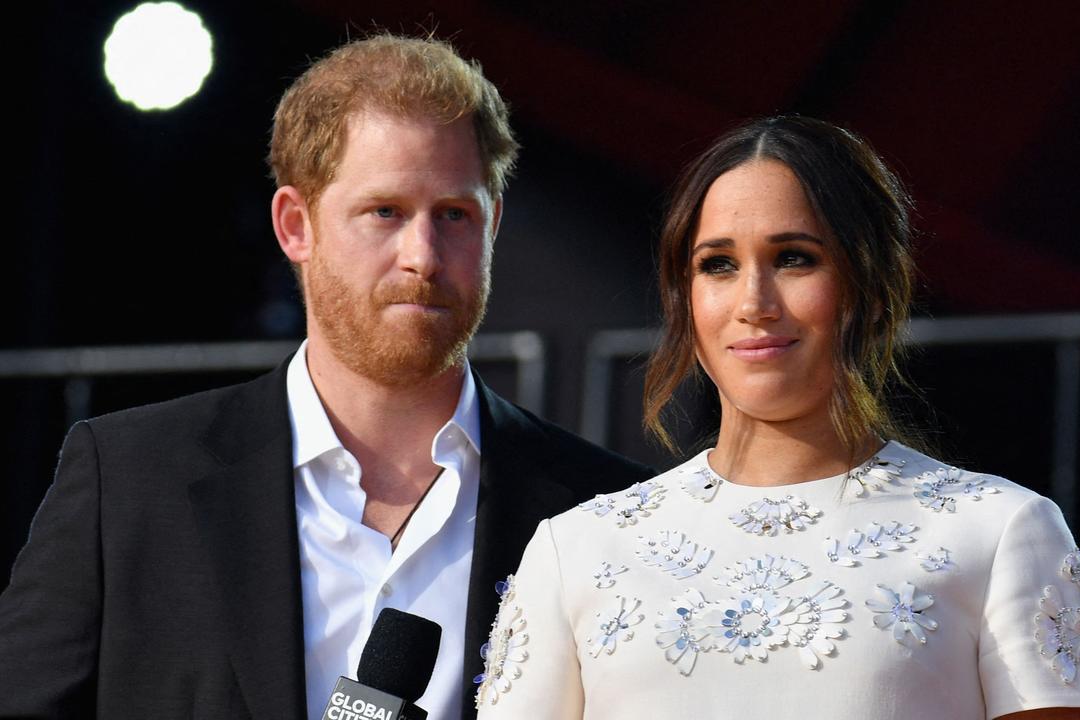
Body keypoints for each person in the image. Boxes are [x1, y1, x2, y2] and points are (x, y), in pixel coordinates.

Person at [0, 34, 651, 720]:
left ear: (493, 227)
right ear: (295, 225)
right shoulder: (130, 481)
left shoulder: (603, 512)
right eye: (386, 212)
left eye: (455, 215)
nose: (422, 256)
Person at [472, 116, 1080, 720]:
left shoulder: (1001, 532)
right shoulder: (578, 549)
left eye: (793, 258)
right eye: (718, 265)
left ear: (868, 285)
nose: (754, 302)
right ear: (685, 296)